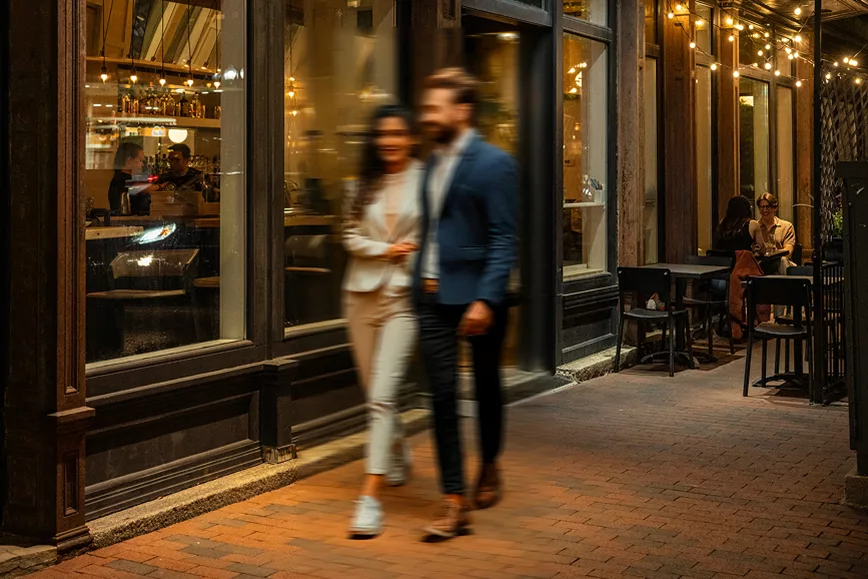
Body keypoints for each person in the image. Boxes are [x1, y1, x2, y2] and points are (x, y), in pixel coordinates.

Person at [414, 68, 518, 540]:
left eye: (434, 108)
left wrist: (486, 298)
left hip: (480, 298)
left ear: (462, 110)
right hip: (432, 295)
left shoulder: (495, 164)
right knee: (441, 396)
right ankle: (453, 500)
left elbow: (503, 238)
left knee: (485, 389)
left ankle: (490, 464)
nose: (427, 116)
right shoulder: (430, 162)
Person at [342, 105, 424, 538]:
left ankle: (369, 499)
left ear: (409, 137)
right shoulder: (361, 184)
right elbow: (349, 237)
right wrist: (385, 251)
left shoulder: (427, 180)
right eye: (383, 134)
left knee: (382, 396)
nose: (390, 141)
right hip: (360, 296)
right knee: (375, 393)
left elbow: (434, 236)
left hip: (404, 300)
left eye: (398, 133)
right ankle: (395, 443)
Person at [108, 141, 150, 215]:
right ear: (130, 160)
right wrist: (160, 186)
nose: (142, 164)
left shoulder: (121, 177)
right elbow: (145, 188)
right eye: (140, 161)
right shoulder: (122, 179)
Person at [755, 192, 796, 261]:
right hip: (760, 263)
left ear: (775, 208)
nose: (764, 210)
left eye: (767, 207)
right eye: (761, 207)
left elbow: (788, 251)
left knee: (783, 260)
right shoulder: (754, 226)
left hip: (780, 262)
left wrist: (772, 254)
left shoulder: (786, 226)